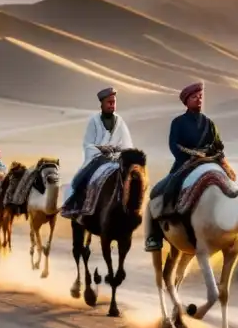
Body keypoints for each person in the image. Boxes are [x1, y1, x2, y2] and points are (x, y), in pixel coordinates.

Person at [145, 81, 224, 252]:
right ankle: (155, 235)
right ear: (186, 101)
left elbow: (219, 146)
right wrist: (190, 156)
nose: (199, 100)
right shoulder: (178, 123)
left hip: (209, 163)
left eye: (201, 97)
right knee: (158, 191)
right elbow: (174, 145)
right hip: (184, 163)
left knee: (230, 187)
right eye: (194, 97)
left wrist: (212, 155)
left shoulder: (210, 124)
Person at [61, 87, 134, 216]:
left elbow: (127, 144)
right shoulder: (94, 121)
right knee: (79, 179)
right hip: (98, 159)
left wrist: (119, 150)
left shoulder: (120, 122)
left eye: (114, 102)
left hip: (117, 159)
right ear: (102, 104)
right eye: (109, 102)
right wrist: (101, 148)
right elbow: (87, 144)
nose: (112, 105)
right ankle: (74, 205)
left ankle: (133, 210)